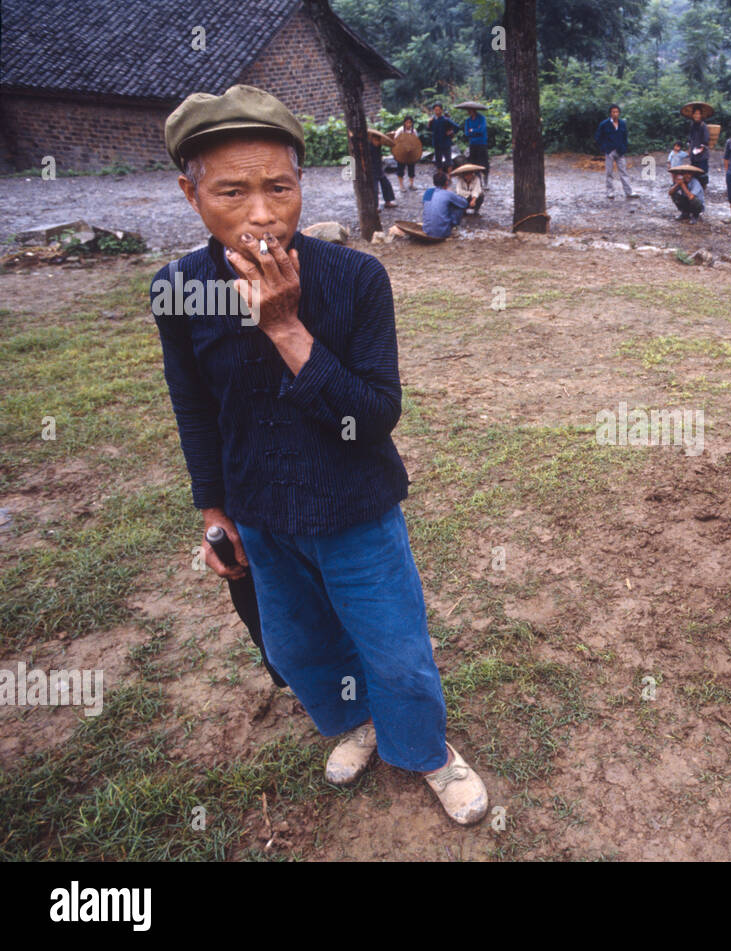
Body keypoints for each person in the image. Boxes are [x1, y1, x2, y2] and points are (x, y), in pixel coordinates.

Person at [154, 84, 487, 824]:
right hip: (260, 513)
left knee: (396, 650)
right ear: (190, 192)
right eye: (232, 191)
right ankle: (356, 720)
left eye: (280, 187)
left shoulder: (354, 279)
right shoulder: (178, 291)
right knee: (301, 645)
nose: (263, 213)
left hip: (353, 507)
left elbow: (373, 416)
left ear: (303, 183)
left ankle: (425, 748)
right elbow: (195, 407)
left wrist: (285, 327)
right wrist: (215, 508)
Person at [596, 104, 637, 200]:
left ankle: (629, 192)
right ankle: (610, 192)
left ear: (619, 113)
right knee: (609, 172)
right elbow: (598, 137)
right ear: (610, 113)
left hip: (620, 151)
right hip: (609, 151)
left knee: (624, 172)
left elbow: (625, 137)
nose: (615, 114)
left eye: (617, 112)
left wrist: (624, 147)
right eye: (613, 112)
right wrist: (604, 148)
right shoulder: (604, 124)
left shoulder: (622, 123)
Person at [422, 170, 470, 238]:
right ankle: (453, 227)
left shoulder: (428, 191)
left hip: (426, 230)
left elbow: (425, 205)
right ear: (446, 183)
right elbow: (465, 204)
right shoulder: (448, 194)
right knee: (458, 206)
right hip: (443, 232)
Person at [461, 105, 490, 189]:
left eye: (470, 110)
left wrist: (472, 130)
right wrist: (474, 130)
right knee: (474, 163)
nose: (469, 112)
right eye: (468, 110)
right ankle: (478, 181)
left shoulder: (481, 118)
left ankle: (485, 181)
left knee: (484, 162)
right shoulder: (468, 121)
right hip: (472, 144)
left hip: (482, 143)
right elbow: (467, 133)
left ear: (474, 110)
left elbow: (482, 130)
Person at [390, 115, 421, 191]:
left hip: (411, 153)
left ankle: (411, 184)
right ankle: (401, 186)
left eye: (410, 123)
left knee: (411, 169)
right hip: (401, 153)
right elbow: (395, 140)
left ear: (412, 123)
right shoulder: (400, 130)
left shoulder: (414, 131)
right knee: (400, 169)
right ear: (404, 123)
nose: (408, 124)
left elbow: (416, 142)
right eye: (407, 122)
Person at [366, 131, 396, 208]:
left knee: (386, 185)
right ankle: (374, 207)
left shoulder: (378, 146)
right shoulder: (368, 148)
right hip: (371, 170)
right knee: (375, 189)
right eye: (376, 140)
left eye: (378, 140)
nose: (378, 142)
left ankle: (388, 202)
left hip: (379, 169)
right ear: (372, 139)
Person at [428, 103, 460, 169]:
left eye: (439, 110)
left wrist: (451, 132)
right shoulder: (432, 120)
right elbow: (429, 129)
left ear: (442, 110)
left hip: (446, 143)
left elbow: (457, 127)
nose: (437, 112)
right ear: (433, 110)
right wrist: (429, 123)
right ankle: (440, 176)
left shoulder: (446, 119)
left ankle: (449, 176)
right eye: (436, 110)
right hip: (437, 143)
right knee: (438, 161)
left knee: (448, 161)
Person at [687, 106, 711, 189]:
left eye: (698, 114)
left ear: (701, 115)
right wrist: (689, 148)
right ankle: (695, 189)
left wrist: (700, 148)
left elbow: (706, 140)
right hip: (694, 154)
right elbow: (690, 138)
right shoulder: (692, 125)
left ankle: (703, 189)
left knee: (703, 173)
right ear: (693, 115)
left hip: (702, 154)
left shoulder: (703, 126)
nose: (697, 115)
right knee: (694, 172)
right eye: (695, 113)